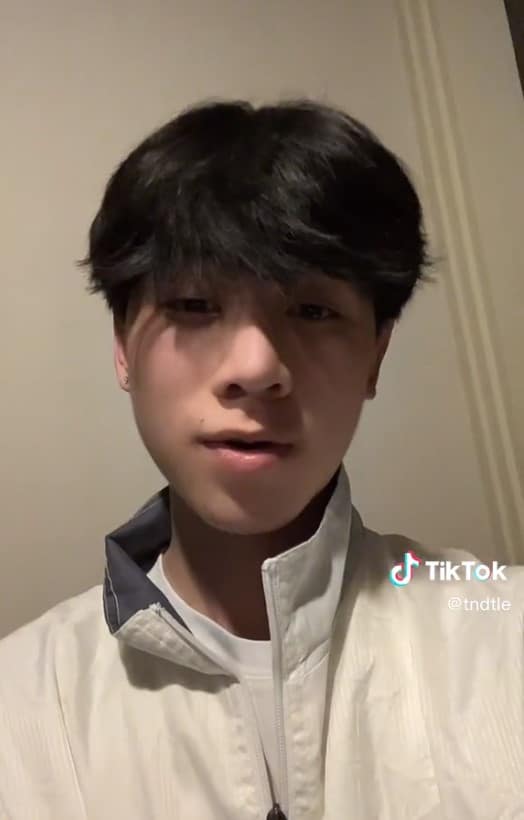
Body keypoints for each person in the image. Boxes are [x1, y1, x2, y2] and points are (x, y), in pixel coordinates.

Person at [0, 98, 522, 820]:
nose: (256, 368)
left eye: (313, 311)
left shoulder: (503, 625)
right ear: (122, 346)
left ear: (376, 356)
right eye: (193, 305)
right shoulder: (19, 705)